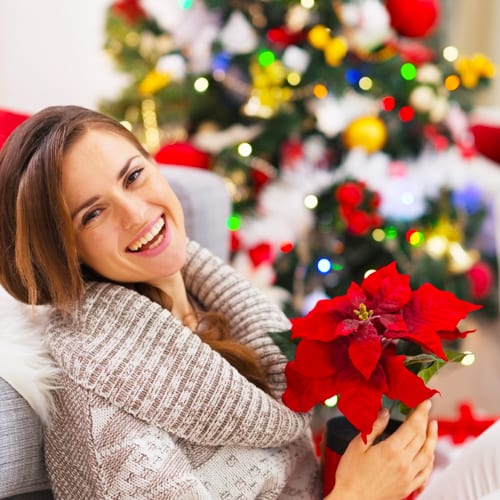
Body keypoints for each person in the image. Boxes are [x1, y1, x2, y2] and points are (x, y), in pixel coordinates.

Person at [0, 105, 497, 500]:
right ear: (65, 251)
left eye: (132, 176)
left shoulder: (213, 297)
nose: (135, 213)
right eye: (92, 214)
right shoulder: (101, 421)